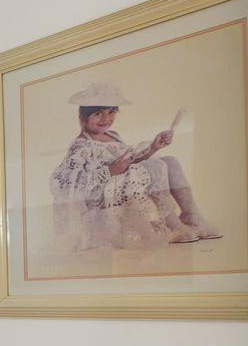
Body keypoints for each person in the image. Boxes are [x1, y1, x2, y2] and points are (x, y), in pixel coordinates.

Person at [49, 82, 221, 251]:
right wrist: (109, 171)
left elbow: (130, 161)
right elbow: (68, 182)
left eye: (112, 112)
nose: (106, 119)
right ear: (83, 116)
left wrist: (154, 147)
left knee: (170, 161)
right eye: (98, 113)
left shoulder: (112, 135)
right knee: (155, 166)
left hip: (127, 179)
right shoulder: (82, 145)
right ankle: (174, 225)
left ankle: (192, 215)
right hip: (105, 194)